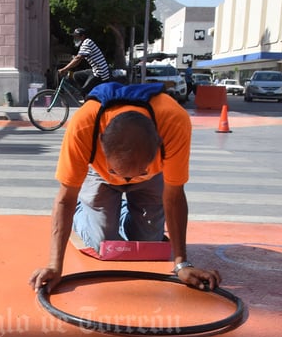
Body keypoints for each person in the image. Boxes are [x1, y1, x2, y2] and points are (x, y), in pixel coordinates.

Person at [28, 87, 222, 293]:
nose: (127, 180)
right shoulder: (84, 126)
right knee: (102, 244)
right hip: (100, 176)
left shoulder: (175, 122)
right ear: (101, 143)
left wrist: (181, 262)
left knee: (149, 243)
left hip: (152, 176)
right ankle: (84, 210)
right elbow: (64, 199)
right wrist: (55, 266)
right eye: (118, 172)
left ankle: (118, 207)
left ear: (159, 145)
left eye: (137, 173)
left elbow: (174, 195)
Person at [57, 28, 111, 97]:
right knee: (76, 75)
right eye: (74, 37)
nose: (75, 38)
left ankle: (88, 97)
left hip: (100, 73)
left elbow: (78, 58)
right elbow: (78, 60)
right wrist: (68, 67)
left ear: (82, 37)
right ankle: (87, 92)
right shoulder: (85, 44)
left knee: (84, 91)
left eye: (76, 36)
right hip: (95, 70)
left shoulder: (87, 43)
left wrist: (64, 69)